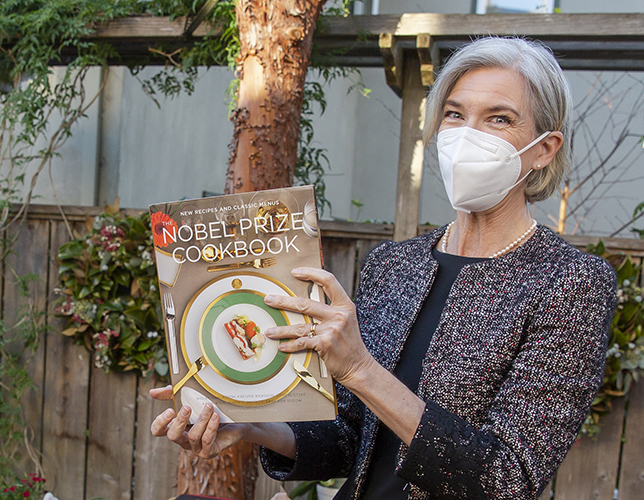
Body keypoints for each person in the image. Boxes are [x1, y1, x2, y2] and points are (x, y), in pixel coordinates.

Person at [150, 36, 617, 499]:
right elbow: (351, 439)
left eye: (499, 119)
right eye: (455, 114)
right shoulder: (394, 264)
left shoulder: (569, 282)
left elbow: (508, 480)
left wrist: (361, 370)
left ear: (544, 149)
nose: (467, 134)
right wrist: (251, 423)